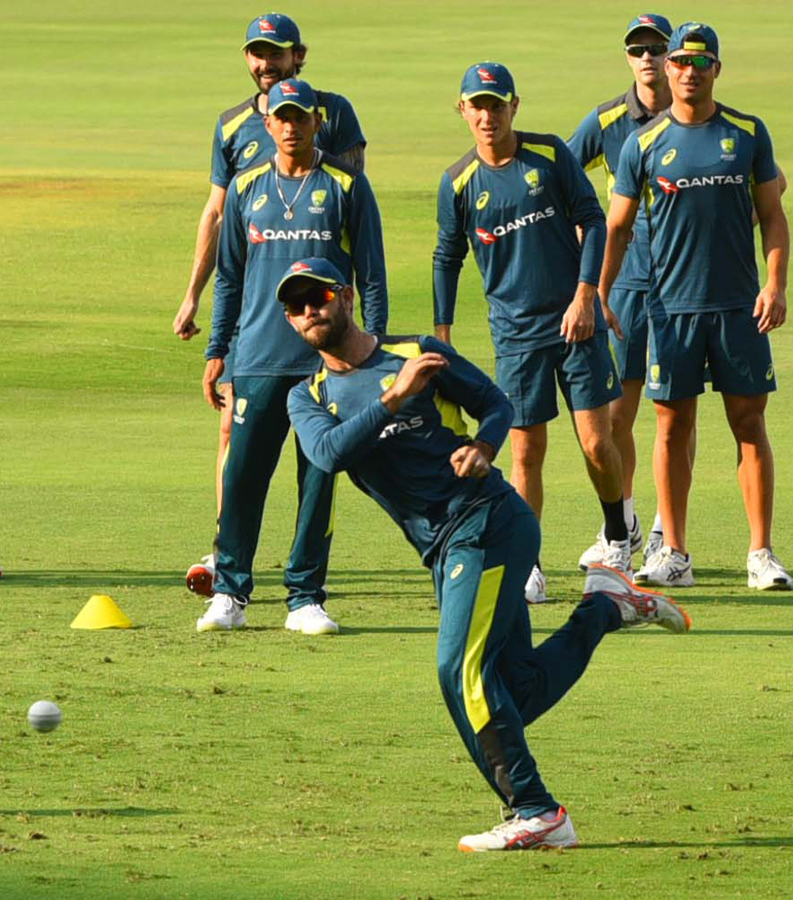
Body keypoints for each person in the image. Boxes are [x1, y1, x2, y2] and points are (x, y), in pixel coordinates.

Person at [280, 256, 690, 851]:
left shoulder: (414, 351)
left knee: (460, 671)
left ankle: (536, 811)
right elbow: (330, 454)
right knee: (513, 690)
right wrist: (395, 399)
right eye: (295, 306)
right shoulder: (308, 395)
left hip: (489, 521)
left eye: (316, 296)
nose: (309, 311)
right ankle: (604, 604)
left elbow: (497, 402)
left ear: (344, 295)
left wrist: (485, 444)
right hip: (443, 547)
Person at [174, 13, 367, 598]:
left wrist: (363, 338)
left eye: (276, 54)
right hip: (258, 329)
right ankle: (228, 558)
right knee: (237, 446)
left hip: (322, 330)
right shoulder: (233, 127)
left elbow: (348, 213)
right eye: (257, 54)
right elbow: (218, 218)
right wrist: (193, 293)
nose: (265, 64)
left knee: (321, 464)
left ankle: (304, 584)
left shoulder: (333, 115)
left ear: (299, 55)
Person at [602, 22, 792, 590]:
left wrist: (775, 284)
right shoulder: (643, 143)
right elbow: (616, 227)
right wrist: (600, 293)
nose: (688, 71)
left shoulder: (748, 133)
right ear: (669, 68)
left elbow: (774, 216)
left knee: (749, 424)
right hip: (670, 308)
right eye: (680, 61)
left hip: (738, 305)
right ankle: (674, 552)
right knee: (670, 425)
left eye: (699, 62)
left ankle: (760, 553)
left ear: (716, 69)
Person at [432, 62, 627, 604]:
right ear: (463, 110)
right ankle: (529, 561)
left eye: (497, 104)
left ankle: (616, 535)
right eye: (478, 105)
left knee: (595, 442)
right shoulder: (458, 182)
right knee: (524, 454)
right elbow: (447, 258)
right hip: (515, 336)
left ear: (514, 106)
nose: (488, 115)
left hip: (576, 324)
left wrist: (586, 294)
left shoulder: (549, 156)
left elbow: (592, 220)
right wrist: (442, 332)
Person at [198, 79, 388, 634]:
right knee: (242, 480)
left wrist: (371, 356)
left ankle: (305, 597)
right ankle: (229, 592)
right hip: (256, 357)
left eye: (299, 117)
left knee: (319, 479)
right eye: (281, 117)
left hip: (325, 363)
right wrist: (218, 352)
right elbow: (229, 277)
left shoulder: (347, 184)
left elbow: (371, 277)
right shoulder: (246, 186)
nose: (289, 126)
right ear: (271, 122)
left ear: (314, 122)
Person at [567, 14, 675, 568]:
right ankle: (625, 523)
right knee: (615, 415)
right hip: (624, 282)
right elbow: (563, 170)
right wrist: (586, 228)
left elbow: (767, 184)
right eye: (639, 49)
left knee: (671, 412)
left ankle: (666, 530)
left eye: (658, 47)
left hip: (681, 282)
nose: (649, 57)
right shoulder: (609, 120)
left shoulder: (695, 118)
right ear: (628, 58)